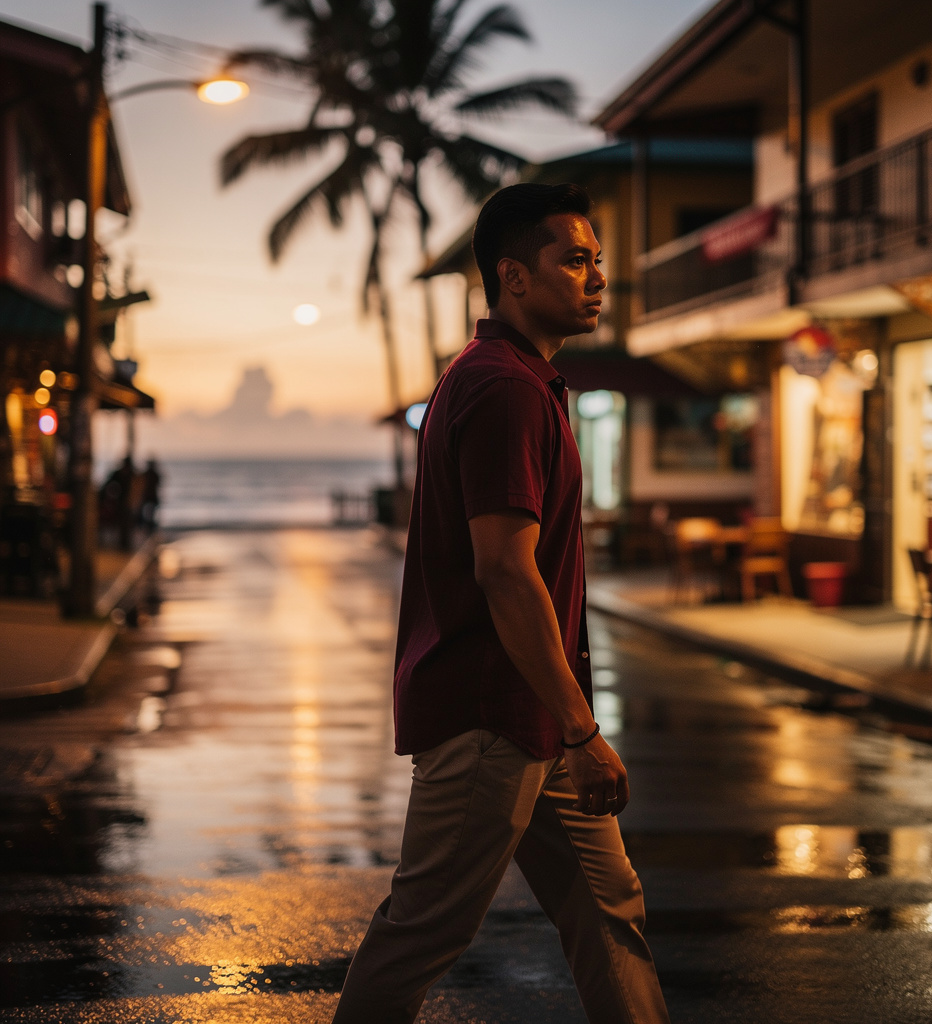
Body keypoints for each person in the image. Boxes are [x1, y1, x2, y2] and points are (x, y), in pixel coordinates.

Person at [331, 183, 670, 1024]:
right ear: (514, 277)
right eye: (575, 261)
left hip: (533, 712)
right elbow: (505, 572)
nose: (596, 279)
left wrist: (568, 723)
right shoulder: (505, 388)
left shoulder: (516, 379)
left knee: (607, 908)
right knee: (424, 932)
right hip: (493, 713)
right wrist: (583, 728)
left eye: (598, 262)